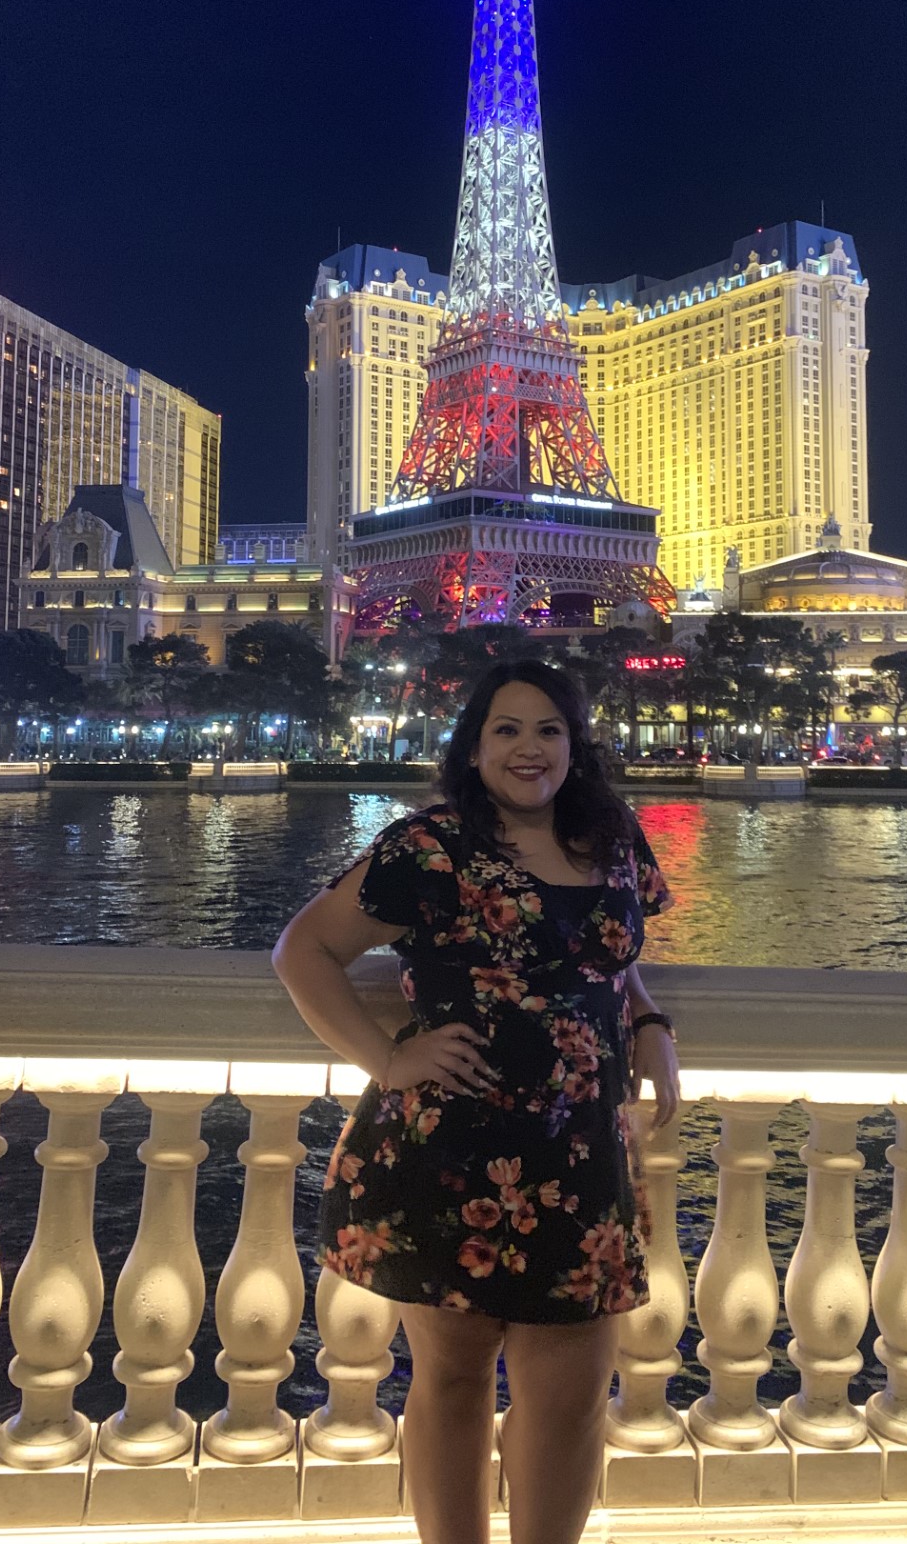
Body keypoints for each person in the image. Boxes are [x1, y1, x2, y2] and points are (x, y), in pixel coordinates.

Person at [274, 658, 679, 1544]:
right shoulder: (430, 847)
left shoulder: (612, 838)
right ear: (473, 747)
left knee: (571, 1396)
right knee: (453, 1378)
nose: (530, 749)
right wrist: (388, 1059)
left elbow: (608, 953)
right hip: (450, 1144)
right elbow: (303, 951)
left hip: (581, 1151)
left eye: (549, 730)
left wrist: (648, 1020)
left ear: (575, 745)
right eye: (507, 730)